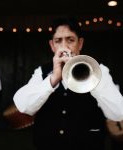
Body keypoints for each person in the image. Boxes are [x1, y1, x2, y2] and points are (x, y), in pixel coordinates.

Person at [13, 16, 123, 150]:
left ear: (80, 43)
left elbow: (118, 112)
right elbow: (23, 106)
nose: (64, 47)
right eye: (58, 41)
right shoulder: (41, 72)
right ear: (52, 46)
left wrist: (92, 79)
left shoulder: (98, 70)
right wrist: (53, 78)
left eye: (70, 40)